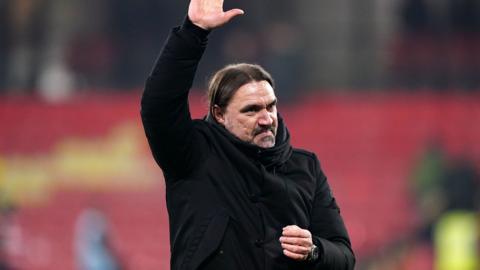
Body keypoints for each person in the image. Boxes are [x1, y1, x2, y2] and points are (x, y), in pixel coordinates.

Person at [140, 0, 355, 269]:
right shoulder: (193, 154)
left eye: (271, 106)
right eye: (251, 110)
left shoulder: (305, 167)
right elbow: (158, 106)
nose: (266, 119)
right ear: (219, 114)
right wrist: (192, 32)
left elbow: (345, 257)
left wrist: (315, 250)